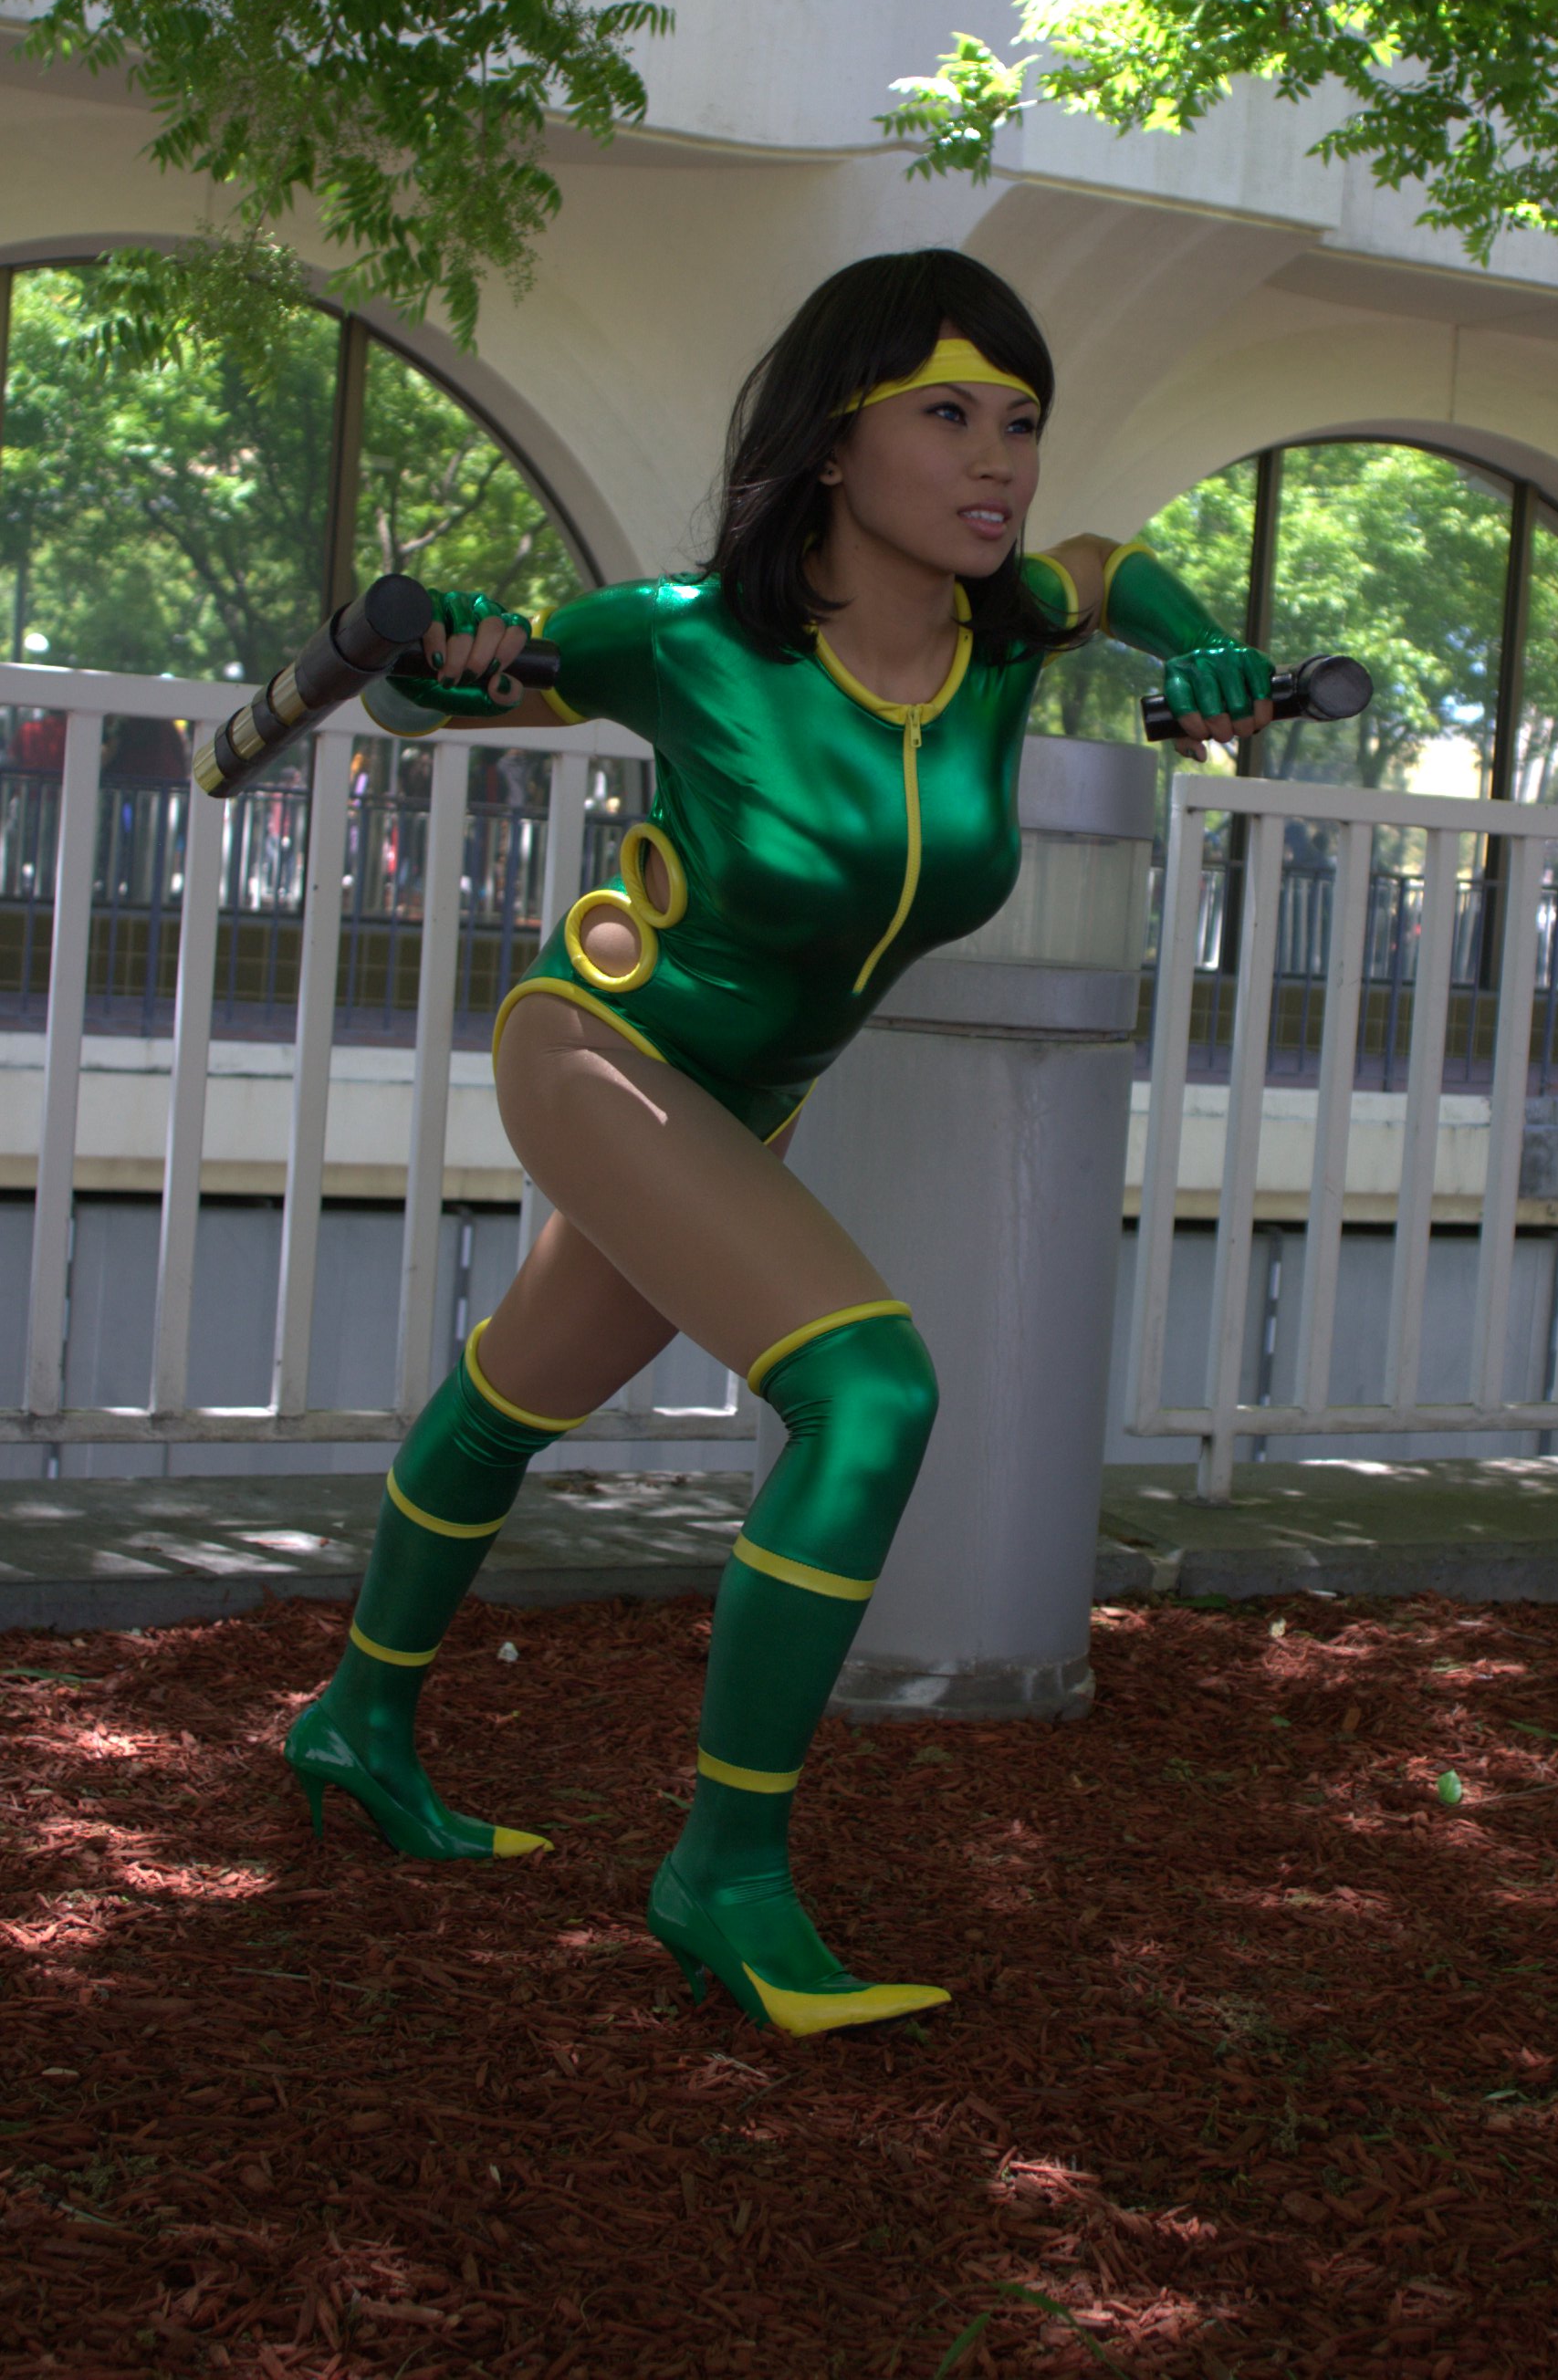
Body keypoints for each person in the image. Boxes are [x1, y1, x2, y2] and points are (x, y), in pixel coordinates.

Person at [285, 247, 1273, 2037]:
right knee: (872, 1394)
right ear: (833, 440)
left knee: (511, 1397)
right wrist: (449, 663)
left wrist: (1204, 642)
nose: (997, 459)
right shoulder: (685, 637)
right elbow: (430, 703)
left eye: (1021, 419)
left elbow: (1113, 565)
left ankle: (356, 1720)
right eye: (946, 415)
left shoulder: (1005, 637)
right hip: (603, 1045)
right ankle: (723, 1877)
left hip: (748, 1101)